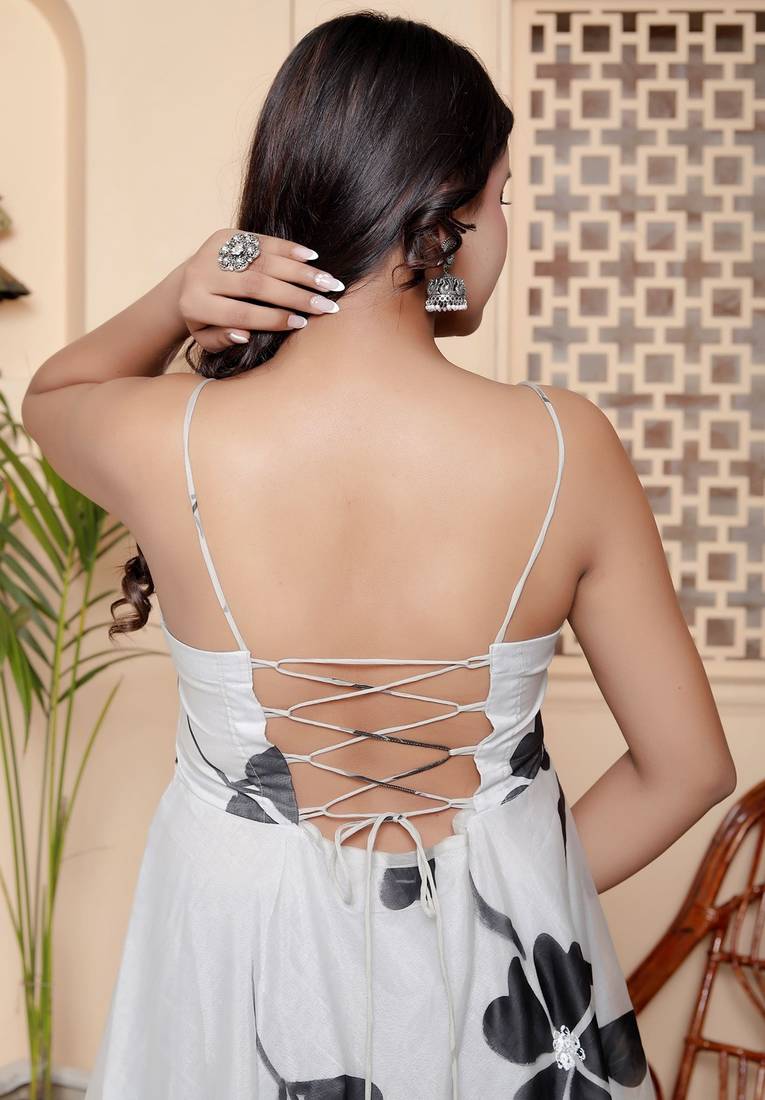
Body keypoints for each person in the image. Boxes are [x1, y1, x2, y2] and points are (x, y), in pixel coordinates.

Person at [21, 12, 736, 1100]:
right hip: (493, 996)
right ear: (443, 219)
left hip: (236, 969)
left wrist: (189, 287)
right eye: (503, 199)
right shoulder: (565, 446)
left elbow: (53, 395)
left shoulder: (168, 433)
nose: (506, 231)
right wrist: (497, 896)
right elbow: (687, 767)